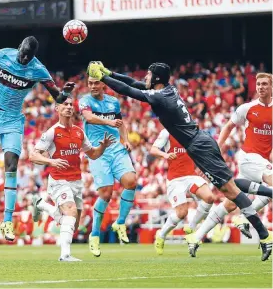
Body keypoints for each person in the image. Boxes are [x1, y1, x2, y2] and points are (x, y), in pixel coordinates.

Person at [86, 61, 272, 261]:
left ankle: (264, 235)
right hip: (199, 143)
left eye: (148, 75)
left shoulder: (159, 97)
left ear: (156, 78)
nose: (145, 78)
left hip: (198, 146)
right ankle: (265, 226)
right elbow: (135, 83)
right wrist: (109, 72)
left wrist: (104, 78)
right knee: (230, 188)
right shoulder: (167, 90)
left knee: (231, 190)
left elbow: (129, 90)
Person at [0, 37, 75, 241]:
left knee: (11, 168)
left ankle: (8, 221)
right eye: (22, 54)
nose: (24, 59)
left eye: (28, 57)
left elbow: (57, 97)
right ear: (18, 47)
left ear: (33, 57)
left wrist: (65, 92)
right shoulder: (3, 54)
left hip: (13, 121)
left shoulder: (38, 69)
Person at [29, 97, 115, 262]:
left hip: (76, 181)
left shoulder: (79, 132)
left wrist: (102, 146)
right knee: (70, 212)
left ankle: (41, 205)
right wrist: (51, 161)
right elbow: (33, 155)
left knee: (72, 224)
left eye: (70, 105)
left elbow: (93, 154)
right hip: (58, 180)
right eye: (65, 105)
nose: (68, 107)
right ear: (57, 108)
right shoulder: (52, 132)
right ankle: (65, 255)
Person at [195, 73, 272, 240]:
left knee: (231, 202)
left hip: (261, 161)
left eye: (265, 84)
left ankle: (196, 237)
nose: (261, 87)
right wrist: (217, 150)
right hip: (248, 157)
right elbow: (228, 127)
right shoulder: (247, 108)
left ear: (271, 86)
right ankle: (244, 219)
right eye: (258, 84)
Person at [78, 77, 137, 257]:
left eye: (96, 83)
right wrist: (109, 123)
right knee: (106, 193)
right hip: (97, 150)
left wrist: (125, 139)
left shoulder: (113, 102)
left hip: (116, 149)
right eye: (90, 83)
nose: (93, 86)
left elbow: (120, 123)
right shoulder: (84, 101)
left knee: (131, 181)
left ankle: (120, 222)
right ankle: (94, 234)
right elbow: (89, 117)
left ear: (103, 84)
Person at [150, 129, 214, 255]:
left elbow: (199, 152)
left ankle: (191, 226)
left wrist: (203, 166)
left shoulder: (191, 131)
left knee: (209, 197)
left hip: (191, 175)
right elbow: (153, 150)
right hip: (175, 180)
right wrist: (165, 155)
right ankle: (161, 235)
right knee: (182, 212)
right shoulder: (167, 132)